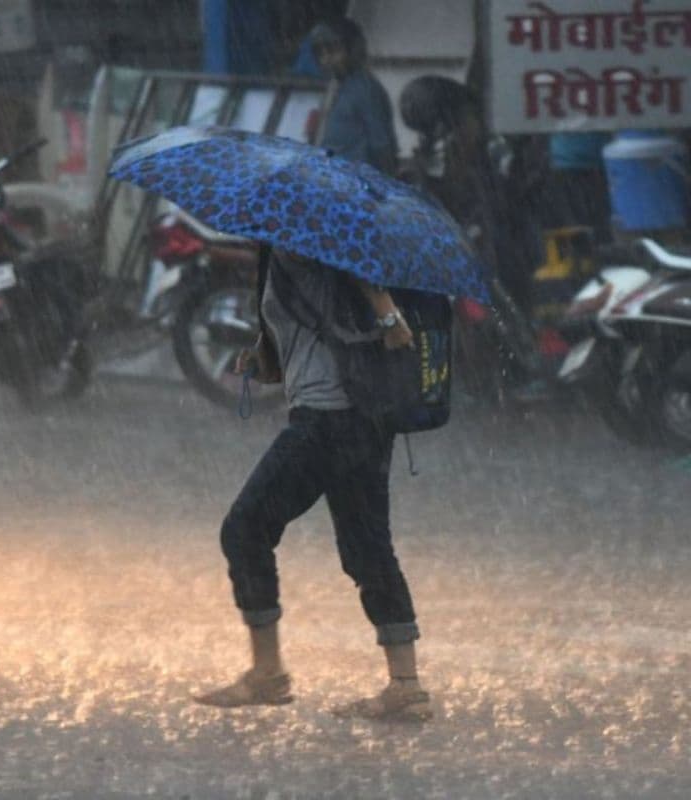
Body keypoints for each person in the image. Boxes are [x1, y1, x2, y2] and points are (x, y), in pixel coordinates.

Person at [192, 247, 433, 722]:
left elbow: (359, 268)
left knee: (245, 527)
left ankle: (267, 672)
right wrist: (265, 361)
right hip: (358, 415)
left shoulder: (312, 242)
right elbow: (318, 325)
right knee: (367, 548)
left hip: (329, 416)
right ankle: (406, 684)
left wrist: (387, 314)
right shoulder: (282, 251)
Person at [309, 18, 398, 175]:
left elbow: (382, 145)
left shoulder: (365, 89)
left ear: (354, 49)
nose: (326, 60)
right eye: (320, 54)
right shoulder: (336, 87)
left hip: (356, 181)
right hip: (332, 176)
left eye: (333, 51)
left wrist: (386, 185)